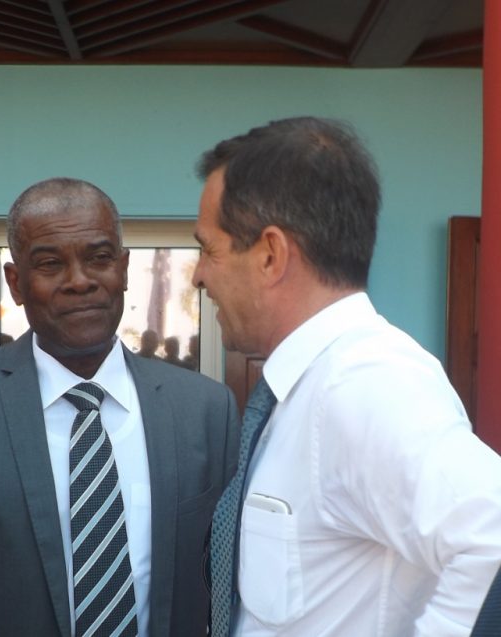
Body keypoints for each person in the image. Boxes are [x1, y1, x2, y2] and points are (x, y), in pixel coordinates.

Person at [0, 177, 240, 636]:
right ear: (16, 283)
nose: (79, 281)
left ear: (123, 269)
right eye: (50, 264)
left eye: (99, 258)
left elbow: (236, 572)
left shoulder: (206, 410)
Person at [194, 116, 501, 636]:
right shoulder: (305, 389)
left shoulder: (366, 383)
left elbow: (492, 535)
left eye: (208, 248)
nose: (198, 275)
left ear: (270, 255)